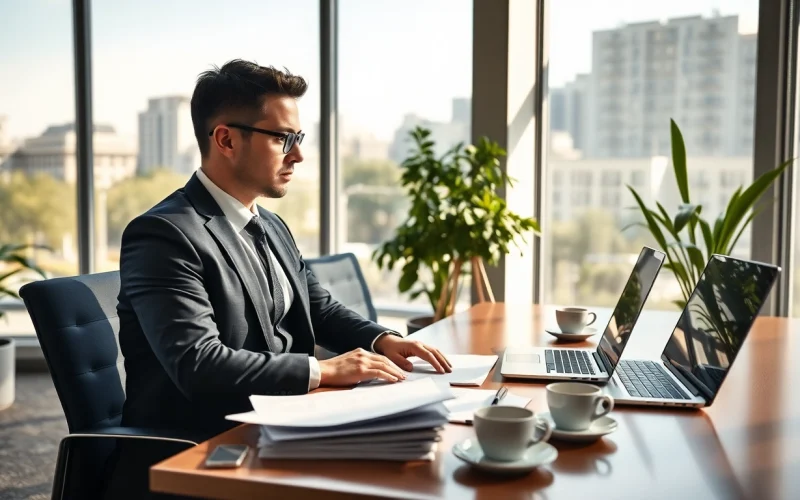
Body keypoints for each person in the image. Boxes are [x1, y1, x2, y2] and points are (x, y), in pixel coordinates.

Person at [103, 59, 451, 499]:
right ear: (226, 139)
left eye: (298, 138)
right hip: (205, 447)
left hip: (285, 424)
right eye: (284, 139)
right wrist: (321, 371)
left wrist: (382, 339)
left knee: (422, 459)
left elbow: (318, 307)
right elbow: (199, 364)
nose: (299, 155)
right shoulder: (164, 235)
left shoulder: (270, 225)